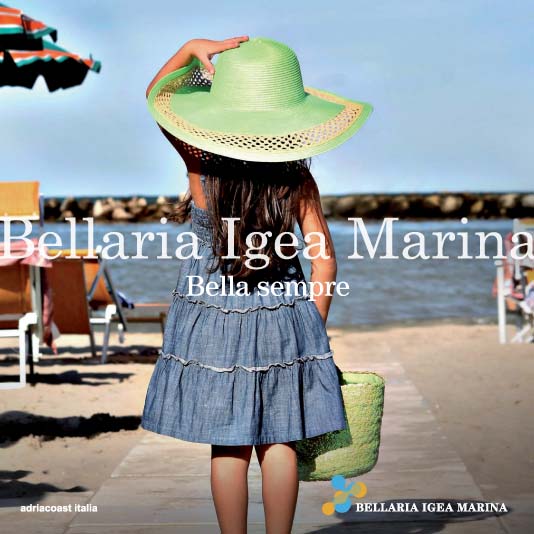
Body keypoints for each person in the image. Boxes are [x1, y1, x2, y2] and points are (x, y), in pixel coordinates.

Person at [141, 36, 372, 534]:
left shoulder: (201, 167)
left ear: (223, 112)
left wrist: (190, 49)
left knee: (228, 445)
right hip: (284, 315)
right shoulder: (297, 181)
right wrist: (313, 327)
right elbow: (324, 262)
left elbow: (158, 98)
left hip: (212, 317)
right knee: (280, 438)